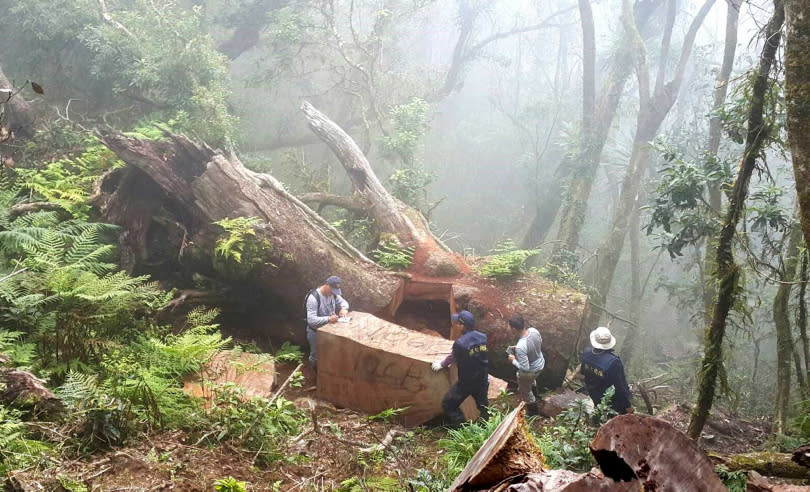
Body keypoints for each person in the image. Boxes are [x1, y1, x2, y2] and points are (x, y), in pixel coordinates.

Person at [431, 310, 489, 426]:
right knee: (483, 406)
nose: (456, 325)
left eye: (457, 323)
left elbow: (453, 357)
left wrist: (441, 364)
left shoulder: (460, 343)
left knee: (448, 404)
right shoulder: (483, 337)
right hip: (482, 379)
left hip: (466, 383)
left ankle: (461, 427)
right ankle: (486, 426)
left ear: (462, 325)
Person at [580, 326, 633, 415]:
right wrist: (628, 405)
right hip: (610, 403)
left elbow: (583, 372)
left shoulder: (587, 353)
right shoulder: (613, 362)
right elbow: (620, 387)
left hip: (592, 394)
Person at [305, 276, 349, 370]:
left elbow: (344, 302)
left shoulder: (333, 294)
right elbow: (311, 320)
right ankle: (314, 374)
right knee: (315, 355)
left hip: (329, 332)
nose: (333, 293)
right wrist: (328, 319)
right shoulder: (313, 298)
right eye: (332, 290)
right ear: (327, 285)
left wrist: (343, 309)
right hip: (315, 332)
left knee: (329, 354)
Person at [506, 315, 544, 415]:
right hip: (540, 363)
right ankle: (537, 396)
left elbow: (525, 368)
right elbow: (538, 343)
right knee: (531, 381)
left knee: (525, 390)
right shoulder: (533, 331)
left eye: (509, 327)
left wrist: (513, 360)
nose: (508, 328)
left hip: (531, 371)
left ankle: (533, 412)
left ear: (514, 329)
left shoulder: (521, 346)